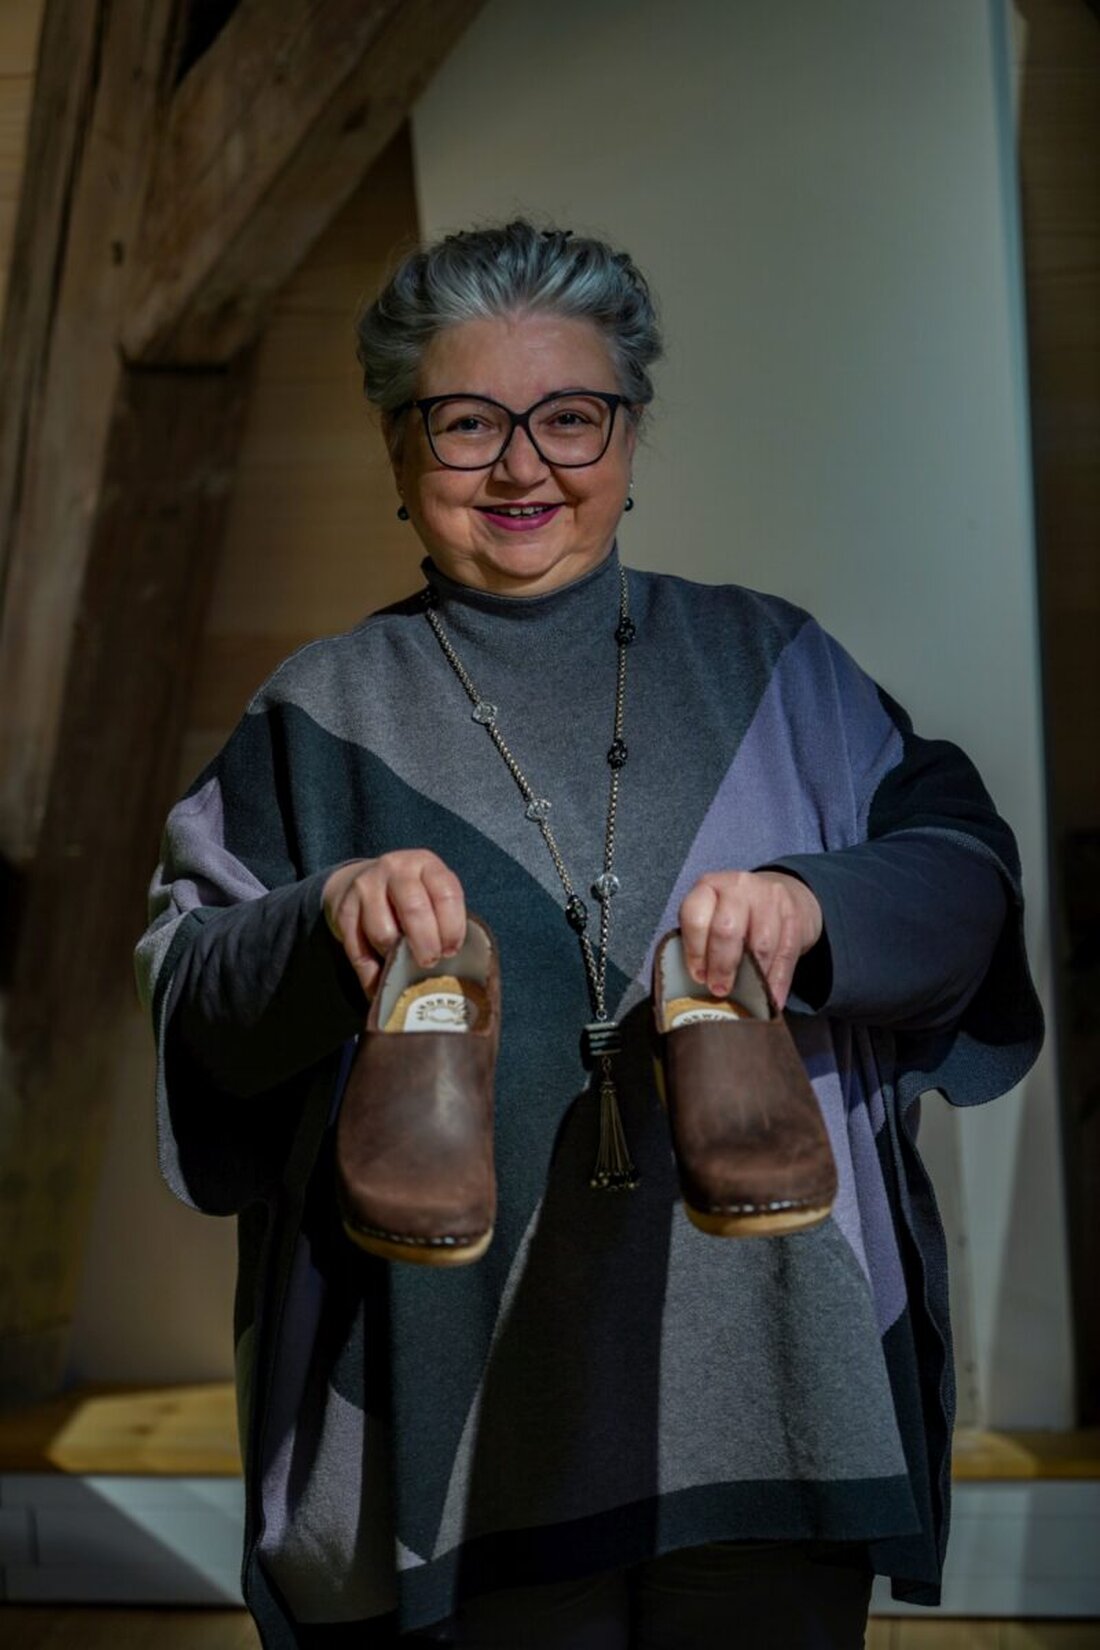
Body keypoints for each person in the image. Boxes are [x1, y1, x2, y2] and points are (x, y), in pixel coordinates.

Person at [136, 221, 1042, 1650]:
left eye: (570, 415)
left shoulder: (774, 661)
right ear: (394, 445)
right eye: (465, 422)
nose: (522, 466)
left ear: (628, 432)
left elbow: (966, 878)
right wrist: (326, 925)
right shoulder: (319, 711)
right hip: (463, 1419)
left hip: (778, 1407)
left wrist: (814, 906)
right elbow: (190, 988)